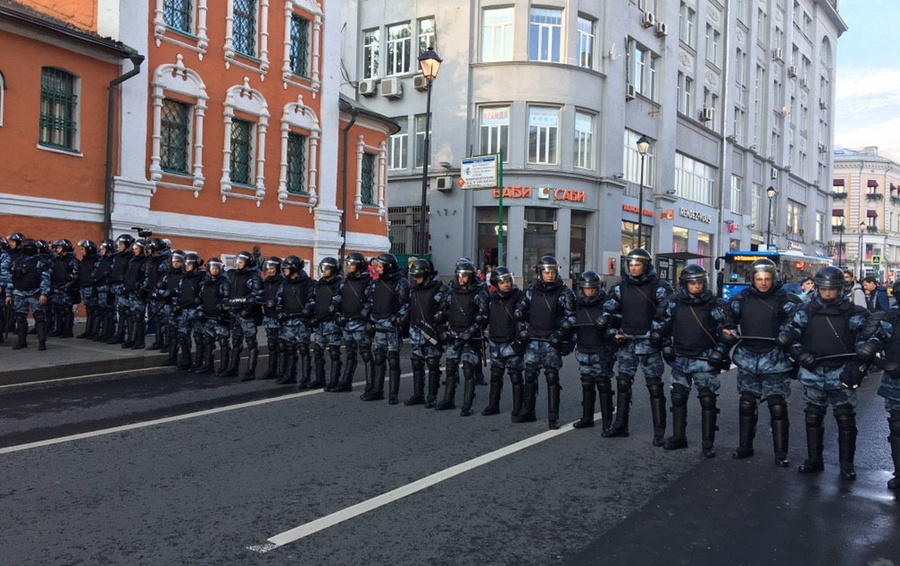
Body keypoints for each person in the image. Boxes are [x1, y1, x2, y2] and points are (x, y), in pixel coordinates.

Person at [778, 265, 882, 480]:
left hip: (842, 373)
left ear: (840, 289)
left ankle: (846, 465)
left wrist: (857, 368)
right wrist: (800, 355)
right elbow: (789, 336)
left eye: (831, 290)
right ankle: (814, 460)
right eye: (823, 289)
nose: (826, 294)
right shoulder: (806, 311)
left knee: (845, 419)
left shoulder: (854, 313)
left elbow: (867, 343)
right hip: (814, 370)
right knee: (813, 417)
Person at [725, 259, 801, 466]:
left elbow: (798, 322)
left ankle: (780, 452)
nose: (763, 283)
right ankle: (745, 446)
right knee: (747, 403)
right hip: (748, 356)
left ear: (773, 278)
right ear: (752, 279)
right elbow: (726, 320)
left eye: (767, 279)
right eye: (759, 279)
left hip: (775, 358)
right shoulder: (740, 299)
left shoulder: (786, 299)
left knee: (777, 406)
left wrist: (788, 335)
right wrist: (728, 332)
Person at [654, 264, 733, 457]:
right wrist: (665, 345)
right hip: (680, 357)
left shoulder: (714, 305)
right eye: (692, 283)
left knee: (707, 399)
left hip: (704, 359)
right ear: (684, 284)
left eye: (699, 283)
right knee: (678, 397)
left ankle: (708, 443)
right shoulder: (674, 303)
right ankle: (678, 436)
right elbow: (659, 326)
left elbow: (728, 332)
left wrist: (720, 351)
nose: (696, 287)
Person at [602, 248, 674, 445]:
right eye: (630, 265)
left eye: (637, 265)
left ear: (646, 266)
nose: (633, 268)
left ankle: (659, 431)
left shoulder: (660, 287)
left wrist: (655, 333)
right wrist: (612, 332)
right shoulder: (620, 287)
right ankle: (620, 425)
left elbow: (667, 314)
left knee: (654, 387)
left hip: (649, 343)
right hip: (626, 343)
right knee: (623, 384)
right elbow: (608, 312)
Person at [514, 255, 576, 429]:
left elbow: (571, 318)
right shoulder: (531, 290)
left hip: (551, 341)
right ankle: (529, 411)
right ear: (540, 273)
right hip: (533, 340)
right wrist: (522, 330)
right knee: (530, 376)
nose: (549, 275)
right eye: (546, 272)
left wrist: (560, 334)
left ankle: (553, 416)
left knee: (551, 377)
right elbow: (519, 312)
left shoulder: (565, 292)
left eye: (552, 272)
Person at [435, 258, 488, 415]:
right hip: (454, 335)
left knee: (468, 370)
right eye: (459, 275)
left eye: (465, 275)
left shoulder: (479, 293)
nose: (461, 278)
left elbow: (483, 317)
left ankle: (467, 404)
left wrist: (469, 333)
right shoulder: (452, 292)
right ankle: (448, 400)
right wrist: (440, 319)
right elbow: (444, 309)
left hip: (470, 337)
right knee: (450, 368)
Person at [572, 271, 617, 431]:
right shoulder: (578, 303)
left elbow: (616, 318)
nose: (589, 291)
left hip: (601, 350)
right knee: (587, 384)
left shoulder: (607, 303)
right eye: (586, 288)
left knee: (603, 385)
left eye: (592, 288)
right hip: (584, 348)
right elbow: (570, 319)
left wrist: (607, 320)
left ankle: (607, 422)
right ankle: (587, 417)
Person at [363, 253, 410, 403]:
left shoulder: (401, 282)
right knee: (378, 358)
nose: (377, 268)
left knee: (393, 360)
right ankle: (377, 390)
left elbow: (406, 304)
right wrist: (368, 316)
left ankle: (393, 394)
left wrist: (398, 318)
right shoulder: (375, 283)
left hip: (392, 326)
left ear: (389, 267)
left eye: (380, 266)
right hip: (378, 324)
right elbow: (370, 300)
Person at [482, 267, 524, 417]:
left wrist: (520, 339)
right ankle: (493, 405)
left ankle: (519, 408)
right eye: (502, 282)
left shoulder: (518, 297)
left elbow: (524, 319)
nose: (506, 284)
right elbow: (484, 316)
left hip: (512, 341)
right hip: (495, 341)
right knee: (495, 375)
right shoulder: (491, 298)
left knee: (515, 376)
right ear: (496, 283)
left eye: (508, 281)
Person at [405, 258, 447, 407]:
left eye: (418, 276)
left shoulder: (439, 288)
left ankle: (432, 396)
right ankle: (418, 394)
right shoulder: (413, 289)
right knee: (416, 363)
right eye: (414, 276)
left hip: (432, 331)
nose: (415, 279)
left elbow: (444, 309)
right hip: (416, 331)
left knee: (433, 363)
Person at [873, 279, 900, 489]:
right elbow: (872, 342)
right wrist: (882, 362)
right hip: (895, 381)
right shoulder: (891, 318)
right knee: (897, 426)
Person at [222, 251, 264, 380]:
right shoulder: (234, 276)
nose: (238, 264)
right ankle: (232, 368)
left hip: (247, 315)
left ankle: (250, 371)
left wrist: (248, 310)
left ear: (248, 262)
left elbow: (257, 296)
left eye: (241, 261)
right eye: (237, 261)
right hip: (235, 313)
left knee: (251, 342)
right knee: (236, 342)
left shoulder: (254, 277)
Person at [5, 238, 50, 350]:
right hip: (19, 293)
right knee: (20, 318)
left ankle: (42, 342)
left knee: (39, 317)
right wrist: (8, 294)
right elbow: (12, 279)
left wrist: (44, 294)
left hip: (35, 293)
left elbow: (46, 279)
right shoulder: (17, 261)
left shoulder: (40, 262)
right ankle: (21, 342)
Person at [276, 256, 314, 386]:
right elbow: (279, 299)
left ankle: (306, 377)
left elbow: (311, 300)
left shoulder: (307, 283)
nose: (284, 271)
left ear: (293, 268)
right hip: (288, 321)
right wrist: (279, 312)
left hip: (301, 321)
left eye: (286, 268)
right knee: (289, 348)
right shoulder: (284, 283)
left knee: (303, 348)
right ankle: (289, 375)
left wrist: (307, 310)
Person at [337, 252, 372, 393]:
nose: (349, 267)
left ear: (359, 265)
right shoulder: (345, 281)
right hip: (346, 321)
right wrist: (337, 313)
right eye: (348, 264)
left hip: (360, 323)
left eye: (352, 264)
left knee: (366, 354)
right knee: (350, 353)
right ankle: (346, 382)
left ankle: (371, 385)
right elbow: (338, 298)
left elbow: (372, 300)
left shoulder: (367, 281)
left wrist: (366, 311)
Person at [312, 257, 343, 390]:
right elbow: (314, 299)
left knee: (334, 352)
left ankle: (334, 381)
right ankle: (320, 379)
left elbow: (338, 300)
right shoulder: (319, 284)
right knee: (318, 351)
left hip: (332, 323)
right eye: (323, 268)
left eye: (327, 268)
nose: (324, 271)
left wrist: (333, 309)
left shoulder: (339, 283)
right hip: (320, 322)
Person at [196, 257, 232, 375]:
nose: (215, 270)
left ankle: (224, 367)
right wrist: (200, 310)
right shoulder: (204, 284)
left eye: (217, 268)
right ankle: (208, 365)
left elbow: (227, 300)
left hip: (220, 318)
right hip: (208, 317)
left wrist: (224, 312)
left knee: (223, 342)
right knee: (208, 341)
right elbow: (200, 299)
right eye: (213, 268)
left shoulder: (225, 283)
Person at [174, 253, 204, 371]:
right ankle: (186, 361)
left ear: (195, 265)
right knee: (182, 336)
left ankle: (199, 362)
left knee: (198, 337)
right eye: (185, 264)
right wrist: (176, 304)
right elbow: (177, 292)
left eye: (189, 264)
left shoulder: (202, 278)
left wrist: (200, 304)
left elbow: (205, 294)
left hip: (196, 311)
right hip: (184, 310)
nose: (186, 266)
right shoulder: (183, 278)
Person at [157, 250, 186, 366]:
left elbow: (185, 291)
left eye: (178, 261)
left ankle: (185, 360)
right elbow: (161, 287)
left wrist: (174, 293)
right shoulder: (168, 274)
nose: (175, 264)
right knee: (172, 332)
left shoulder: (184, 276)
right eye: (174, 261)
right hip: (168, 306)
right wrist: (162, 292)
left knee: (183, 335)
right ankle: (171, 356)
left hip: (180, 307)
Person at [121, 239, 149, 349]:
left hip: (138, 293)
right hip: (130, 292)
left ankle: (139, 341)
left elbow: (147, 278)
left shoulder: (145, 262)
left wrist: (141, 288)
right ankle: (131, 339)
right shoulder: (132, 260)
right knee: (130, 316)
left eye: (137, 249)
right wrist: (125, 286)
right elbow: (128, 275)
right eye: (133, 249)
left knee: (138, 317)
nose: (134, 251)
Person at [48, 239, 78, 339]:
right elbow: (50, 273)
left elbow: (75, 275)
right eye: (56, 248)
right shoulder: (55, 260)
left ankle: (68, 330)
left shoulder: (71, 260)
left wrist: (67, 286)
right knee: (56, 309)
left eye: (59, 248)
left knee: (67, 310)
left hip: (66, 289)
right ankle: (58, 328)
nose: (57, 250)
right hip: (56, 288)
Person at [260, 256, 285, 380]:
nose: (269, 270)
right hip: (269, 316)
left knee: (281, 345)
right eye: (268, 268)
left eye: (272, 268)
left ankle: (282, 370)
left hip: (279, 318)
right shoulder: (267, 281)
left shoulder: (283, 282)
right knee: (271, 344)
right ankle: (271, 369)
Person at [106, 234, 133, 344]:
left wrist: (125, 285)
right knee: (118, 312)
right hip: (115, 287)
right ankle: (117, 334)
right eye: (118, 244)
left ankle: (127, 336)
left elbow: (130, 274)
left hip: (123, 288)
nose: (118, 246)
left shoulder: (130, 258)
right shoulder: (116, 257)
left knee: (125, 313)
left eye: (121, 244)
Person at [75, 239, 100, 339]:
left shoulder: (96, 260)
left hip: (92, 288)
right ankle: (88, 330)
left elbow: (96, 275)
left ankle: (95, 331)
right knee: (89, 310)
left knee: (95, 310)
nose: (81, 251)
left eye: (83, 249)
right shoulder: (84, 260)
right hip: (84, 287)